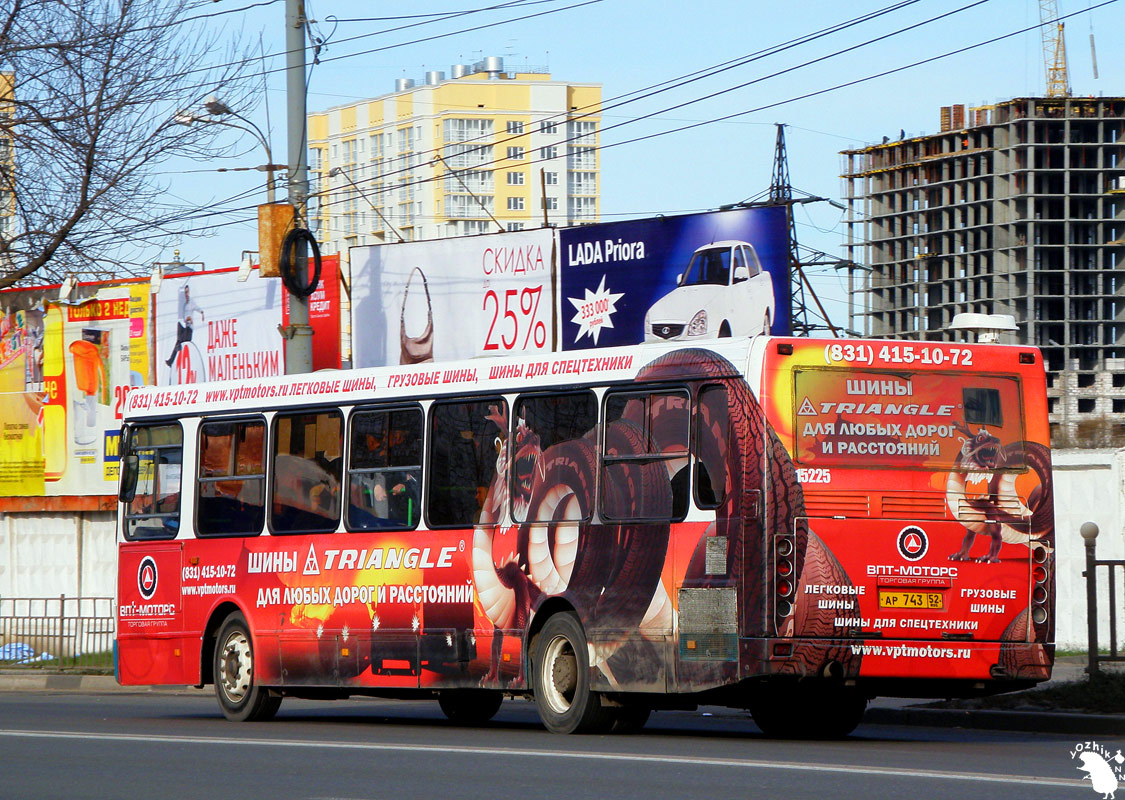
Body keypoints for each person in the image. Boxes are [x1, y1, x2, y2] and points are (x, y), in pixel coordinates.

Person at [166, 282, 205, 367]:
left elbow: (196, 307)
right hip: (182, 324)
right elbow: (181, 314)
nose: (186, 294)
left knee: (186, 343)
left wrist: (201, 312)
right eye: (185, 292)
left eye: (187, 292)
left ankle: (177, 361)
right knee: (179, 342)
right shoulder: (181, 302)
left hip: (188, 326)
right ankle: (173, 360)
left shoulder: (191, 301)